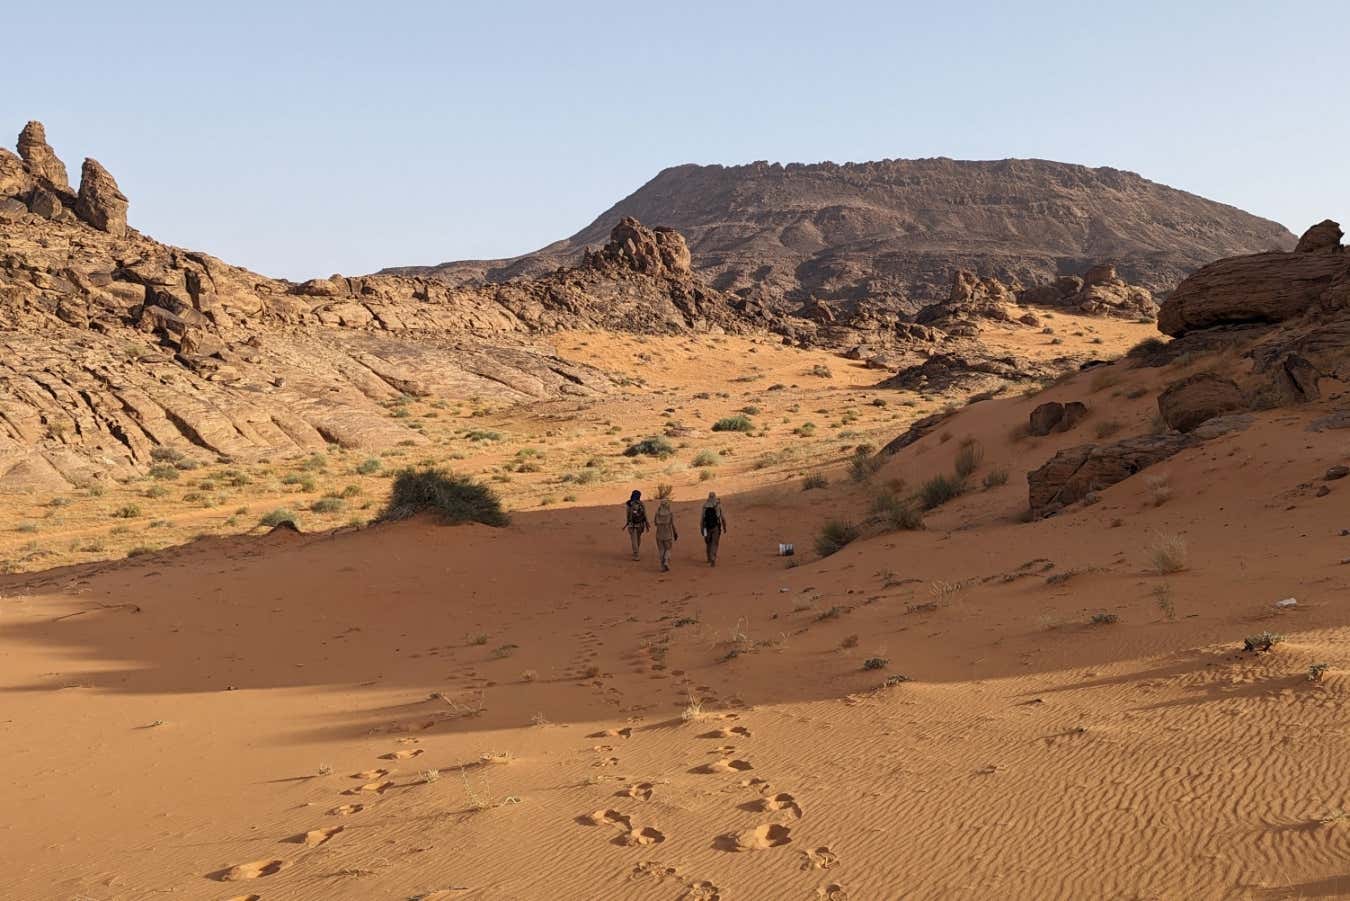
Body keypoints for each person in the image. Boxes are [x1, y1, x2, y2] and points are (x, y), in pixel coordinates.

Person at [652, 489, 678, 572]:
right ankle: (666, 561)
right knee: (668, 549)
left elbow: (655, 523)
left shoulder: (657, 513)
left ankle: (662, 566)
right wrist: (675, 532)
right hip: (668, 534)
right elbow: (672, 524)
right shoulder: (670, 513)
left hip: (659, 534)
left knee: (661, 550)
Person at [700, 492, 727, 566]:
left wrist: (702, 529)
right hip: (716, 527)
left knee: (707, 542)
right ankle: (713, 558)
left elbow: (702, 519)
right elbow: (723, 518)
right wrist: (724, 527)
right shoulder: (718, 505)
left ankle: (708, 558)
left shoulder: (705, 506)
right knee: (714, 543)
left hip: (706, 528)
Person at [623, 490, 649, 560]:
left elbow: (627, 515)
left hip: (631, 525)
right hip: (640, 525)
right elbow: (645, 514)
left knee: (633, 539)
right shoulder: (641, 504)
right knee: (638, 538)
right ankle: (636, 551)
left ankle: (636, 554)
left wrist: (627, 522)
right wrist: (647, 523)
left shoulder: (629, 504)